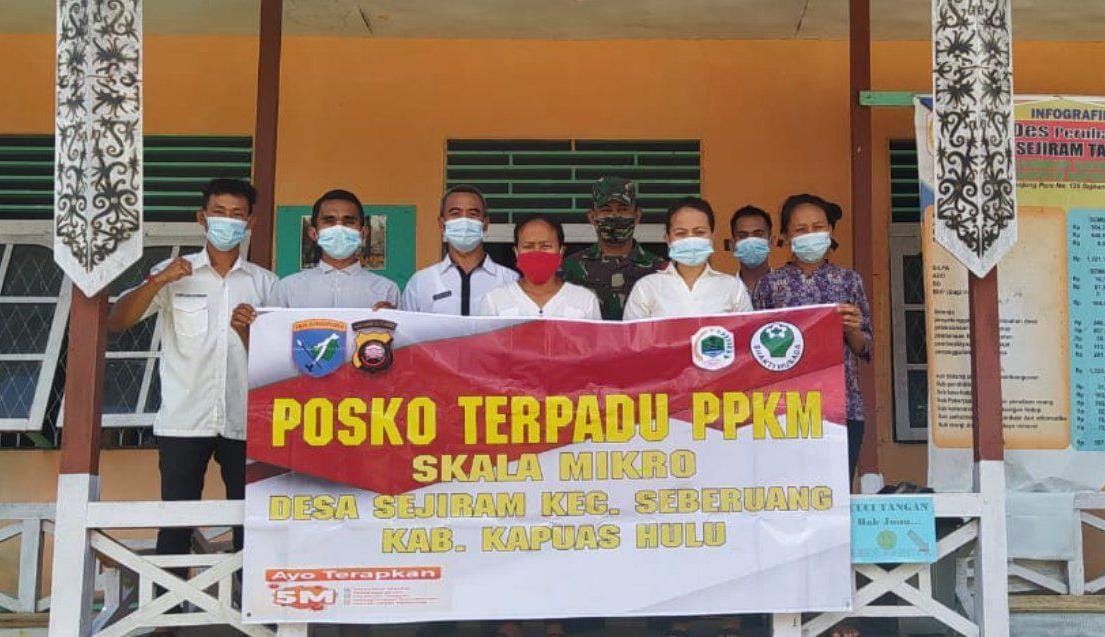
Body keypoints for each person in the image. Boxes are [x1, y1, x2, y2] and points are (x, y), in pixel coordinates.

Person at [106, 178, 276, 561]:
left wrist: (248, 333)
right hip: (183, 420)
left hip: (247, 421)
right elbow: (117, 320)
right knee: (176, 525)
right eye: (219, 212)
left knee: (250, 525)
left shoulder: (266, 284)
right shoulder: (171, 272)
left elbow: (276, 359)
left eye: (237, 214)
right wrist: (158, 281)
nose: (228, 221)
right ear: (202, 218)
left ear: (250, 221)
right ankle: (169, 599)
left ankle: (244, 596)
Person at [751, 193, 872, 483]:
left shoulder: (849, 281)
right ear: (785, 236)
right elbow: (754, 349)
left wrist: (852, 329)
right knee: (786, 492)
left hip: (842, 406)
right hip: (782, 410)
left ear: (830, 231)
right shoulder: (769, 285)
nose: (810, 235)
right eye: (800, 229)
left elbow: (864, 347)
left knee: (835, 491)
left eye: (818, 228)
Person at [259, 189, 398, 310]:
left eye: (349, 221)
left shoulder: (386, 290)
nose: (339, 228)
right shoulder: (287, 289)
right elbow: (273, 330)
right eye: (329, 221)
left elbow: (402, 331)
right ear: (313, 233)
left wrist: (393, 318)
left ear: (363, 233)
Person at [623, 197, 752, 319]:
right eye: (681, 233)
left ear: (712, 236)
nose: (690, 239)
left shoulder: (733, 288)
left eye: (699, 232)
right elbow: (632, 335)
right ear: (667, 239)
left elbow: (747, 333)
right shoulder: (646, 288)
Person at [401, 185, 518, 315]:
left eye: (473, 214)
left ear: (485, 224)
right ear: (441, 224)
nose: (464, 220)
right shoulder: (420, 283)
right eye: (455, 213)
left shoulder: (511, 281)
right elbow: (406, 327)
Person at [562, 176, 665, 319]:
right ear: (592, 217)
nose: (614, 216)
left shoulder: (659, 270)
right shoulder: (569, 269)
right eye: (606, 210)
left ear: (637, 216)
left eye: (623, 209)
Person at [479, 214, 601, 319]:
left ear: (561, 251)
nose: (537, 252)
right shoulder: (494, 301)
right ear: (516, 252)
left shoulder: (585, 300)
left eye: (545, 246)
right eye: (528, 246)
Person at [730, 204, 774, 294]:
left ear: (771, 242)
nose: (751, 241)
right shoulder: (724, 292)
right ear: (732, 245)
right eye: (743, 236)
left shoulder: (789, 289)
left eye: (758, 234)